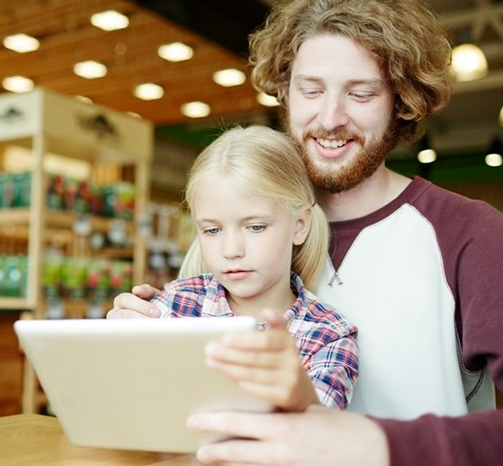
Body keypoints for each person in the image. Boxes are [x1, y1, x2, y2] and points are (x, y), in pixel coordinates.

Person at [109, 0, 503, 466]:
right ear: (284, 91)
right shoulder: (233, 240)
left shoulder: (470, 235)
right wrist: (127, 345)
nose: (329, 119)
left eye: (360, 92)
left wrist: (383, 455)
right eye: (310, 90)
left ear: (401, 99)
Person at [152, 125, 358, 412]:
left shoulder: (328, 335)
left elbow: (316, 433)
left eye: (255, 226)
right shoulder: (174, 305)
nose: (231, 250)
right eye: (212, 230)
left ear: (300, 225)